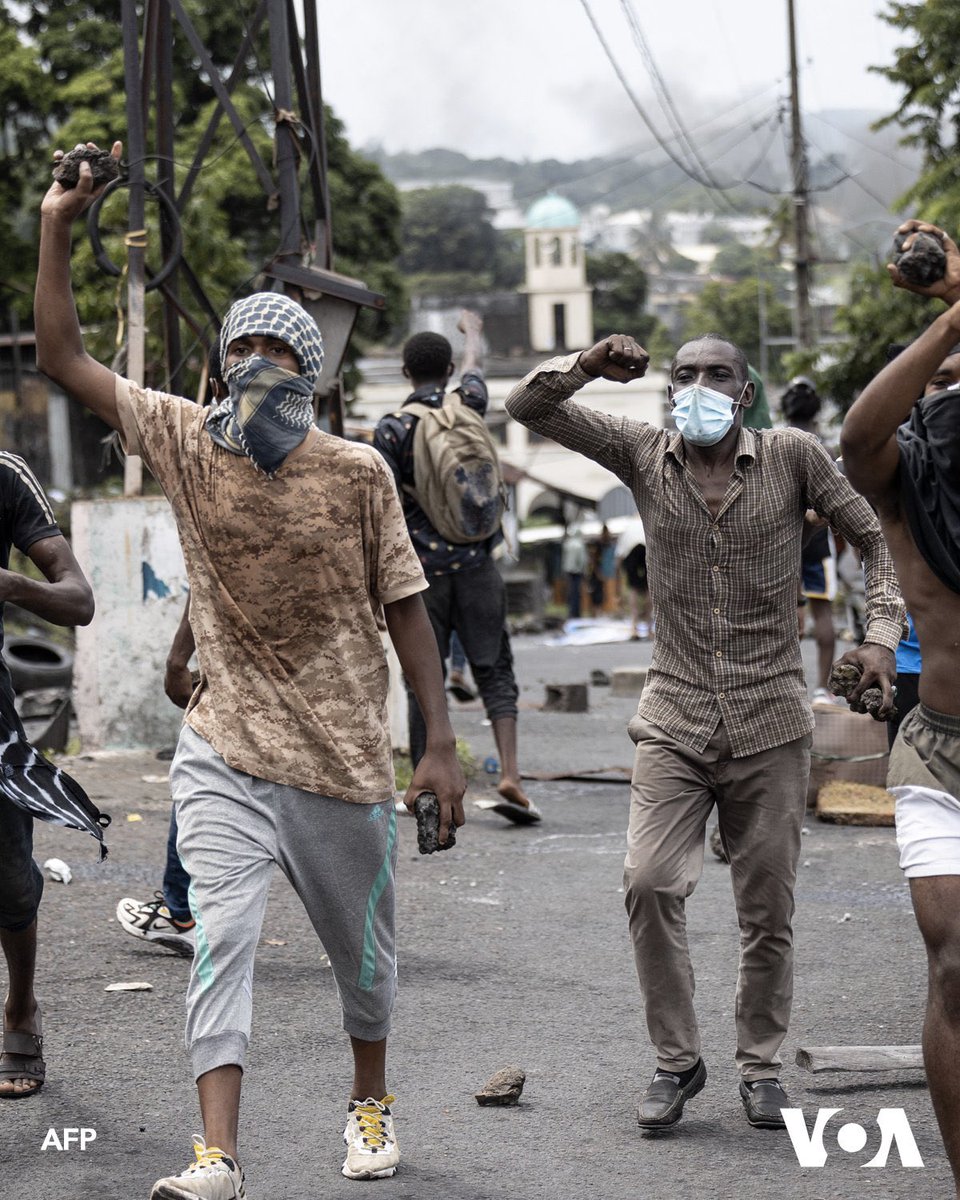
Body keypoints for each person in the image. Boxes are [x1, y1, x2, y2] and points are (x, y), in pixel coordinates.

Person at [36, 140, 466, 1195]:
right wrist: (56, 225)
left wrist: (439, 742)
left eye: (283, 352)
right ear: (222, 368)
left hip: (341, 759)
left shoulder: (359, 472)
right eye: (246, 352)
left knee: (363, 967)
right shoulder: (186, 440)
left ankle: (369, 1103)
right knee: (221, 941)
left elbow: (407, 608)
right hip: (226, 748)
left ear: (310, 374)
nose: (262, 368)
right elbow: (62, 357)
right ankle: (216, 1155)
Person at [505, 330, 902, 1131]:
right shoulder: (643, 453)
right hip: (675, 716)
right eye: (685, 375)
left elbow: (875, 538)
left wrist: (879, 636)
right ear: (667, 389)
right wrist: (587, 366)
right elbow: (527, 407)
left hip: (770, 720)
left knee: (768, 914)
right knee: (649, 882)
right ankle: (677, 1062)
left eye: (717, 375)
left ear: (744, 391)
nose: (699, 387)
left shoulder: (792, 456)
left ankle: (759, 1068)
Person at [840, 218, 960, 1198]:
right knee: (955, 967)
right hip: (941, 752)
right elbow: (856, 435)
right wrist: (952, 315)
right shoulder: (904, 484)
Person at [373, 311, 539, 825]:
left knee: (426, 677)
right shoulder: (468, 402)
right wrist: (472, 335)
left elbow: (383, 513)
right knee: (496, 668)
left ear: (405, 373)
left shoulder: (393, 429)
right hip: (478, 566)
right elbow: (476, 367)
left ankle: (426, 780)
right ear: (446, 370)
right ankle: (510, 771)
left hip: (421, 576)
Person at [116, 343, 229, 960]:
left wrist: (176, 658)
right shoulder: (210, 453)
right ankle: (182, 909)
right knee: (203, 783)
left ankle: (182, 910)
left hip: (261, 683)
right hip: (274, 680)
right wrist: (176, 658)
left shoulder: (217, 452)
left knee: (207, 785)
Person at [0, 455, 99, 1098]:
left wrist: (8, 585)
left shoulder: (5, 475)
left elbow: (78, 600)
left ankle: (20, 1008)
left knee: (8, 879)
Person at [781, 376, 842, 704]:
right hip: (818, 540)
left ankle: (785, 689)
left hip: (782, 540)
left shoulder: (774, 441)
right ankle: (823, 688)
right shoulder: (826, 447)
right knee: (822, 614)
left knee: (779, 614)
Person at [615, 516, 650, 640]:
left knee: (633, 589)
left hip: (631, 552)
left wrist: (619, 574)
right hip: (646, 549)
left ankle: (634, 627)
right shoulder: (647, 520)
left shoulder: (629, 526)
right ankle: (649, 627)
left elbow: (619, 553)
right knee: (648, 588)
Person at [561, 525, 587, 619]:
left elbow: (564, 558)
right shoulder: (580, 544)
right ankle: (576, 612)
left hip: (569, 571)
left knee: (571, 592)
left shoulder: (568, 544)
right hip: (577, 571)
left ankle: (571, 611)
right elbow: (582, 560)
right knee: (576, 592)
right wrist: (584, 570)